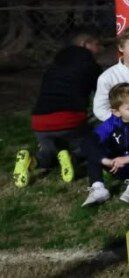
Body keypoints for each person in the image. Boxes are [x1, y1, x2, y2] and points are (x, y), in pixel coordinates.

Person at [19, 29, 102, 188]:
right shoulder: (91, 66)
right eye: (97, 45)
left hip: (39, 121)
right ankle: (73, 156)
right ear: (85, 44)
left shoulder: (53, 66)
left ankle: (32, 161)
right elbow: (100, 96)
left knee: (48, 153)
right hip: (69, 120)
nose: (100, 49)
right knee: (91, 141)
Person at [81, 84, 129, 206]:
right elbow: (88, 143)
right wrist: (105, 161)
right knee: (92, 147)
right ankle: (98, 188)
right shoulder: (112, 123)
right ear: (117, 112)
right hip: (117, 166)